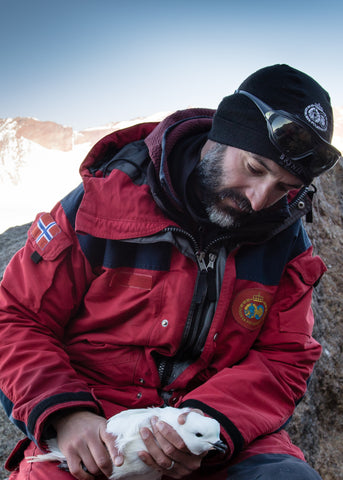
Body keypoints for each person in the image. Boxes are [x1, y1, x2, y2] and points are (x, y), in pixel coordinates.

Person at [0, 64, 340, 480]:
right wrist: (67, 415)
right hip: (95, 430)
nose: (258, 200)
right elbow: (15, 316)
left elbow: (284, 357)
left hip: (214, 435)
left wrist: (205, 425)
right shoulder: (102, 202)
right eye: (254, 168)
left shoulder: (286, 240)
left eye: (283, 188)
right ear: (223, 133)